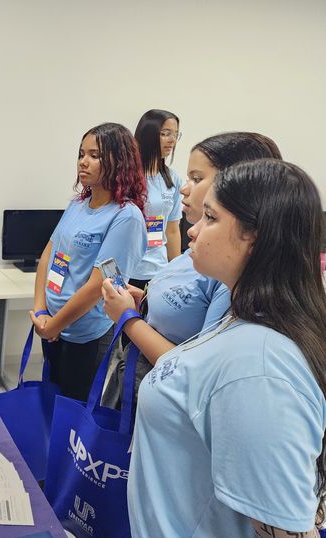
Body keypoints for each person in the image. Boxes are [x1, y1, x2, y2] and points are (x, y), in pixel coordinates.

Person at [127, 159, 326, 536]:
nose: (193, 230)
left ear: (254, 236)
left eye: (211, 218)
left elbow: (286, 528)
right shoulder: (238, 320)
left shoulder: (260, 368)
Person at [101, 132, 282, 409]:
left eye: (197, 179)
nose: (184, 189)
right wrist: (143, 304)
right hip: (142, 387)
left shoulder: (230, 275)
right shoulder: (197, 248)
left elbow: (198, 372)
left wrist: (128, 319)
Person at [30, 123, 147, 400]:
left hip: (86, 336)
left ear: (120, 161)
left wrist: (54, 325)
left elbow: (99, 286)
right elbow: (48, 255)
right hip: (52, 325)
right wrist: (41, 311)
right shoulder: (77, 205)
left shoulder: (125, 217)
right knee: (51, 402)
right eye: (81, 154)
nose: (83, 161)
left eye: (95, 155)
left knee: (73, 412)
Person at [129, 109, 184, 289]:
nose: (172, 140)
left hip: (158, 270)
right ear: (148, 135)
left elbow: (172, 230)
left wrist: (175, 272)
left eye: (175, 134)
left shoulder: (173, 179)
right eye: (165, 134)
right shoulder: (126, 178)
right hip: (128, 269)